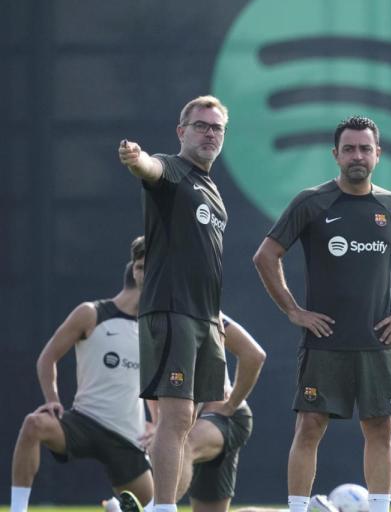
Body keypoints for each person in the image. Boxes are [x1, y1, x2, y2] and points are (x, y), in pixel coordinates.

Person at [252, 116, 391, 512]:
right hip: (325, 343)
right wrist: (294, 310)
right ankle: (298, 509)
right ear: (335, 155)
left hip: (377, 342)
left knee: (380, 429)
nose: (357, 156)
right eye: (349, 149)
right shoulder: (311, 202)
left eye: (365, 149)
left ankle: (379, 508)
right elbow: (266, 256)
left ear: (378, 155)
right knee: (310, 426)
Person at [118, 96, 230, 512]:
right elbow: (150, 166)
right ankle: (163, 508)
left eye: (216, 128)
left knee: (189, 421)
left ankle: (157, 507)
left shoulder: (213, 190)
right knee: (176, 416)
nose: (209, 133)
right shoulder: (172, 170)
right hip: (172, 310)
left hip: (205, 319)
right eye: (200, 125)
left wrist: (215, 317)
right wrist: (136, 158)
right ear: (182, 131)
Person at [10, 237, 152, 512]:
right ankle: (18, 510)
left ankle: (117, 508)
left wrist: (157, 424)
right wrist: (52, 399)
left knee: (154, 507)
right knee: (33, 424)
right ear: (135, 271)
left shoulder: (153, 328)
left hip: (128, 437)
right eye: (144, 266)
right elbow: (47, 358)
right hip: (84, 422)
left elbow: (155, 385)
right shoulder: (91, 313)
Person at [166, 313, 265, 512]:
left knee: (184, 444)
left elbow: (254, 355)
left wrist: (230, 405)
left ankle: (155, 508)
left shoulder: (203, 308)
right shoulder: (149, 318)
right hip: (196, 422)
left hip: (223, 419)